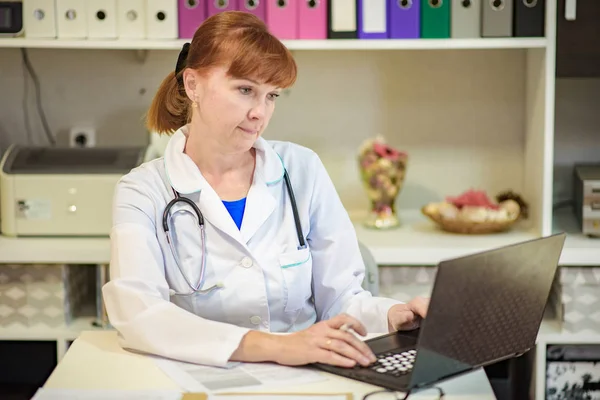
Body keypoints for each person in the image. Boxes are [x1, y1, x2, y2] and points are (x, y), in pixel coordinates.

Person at [102, 11, 429, 370]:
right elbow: (139, 313)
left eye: (271, 95)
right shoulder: (142, 191)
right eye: (245, 90)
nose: (260, 112)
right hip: (199, 378)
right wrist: (276, 346)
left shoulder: (302, 170)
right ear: (192, 84)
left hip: (306, 379)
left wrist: (395, 315)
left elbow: (342, 300)